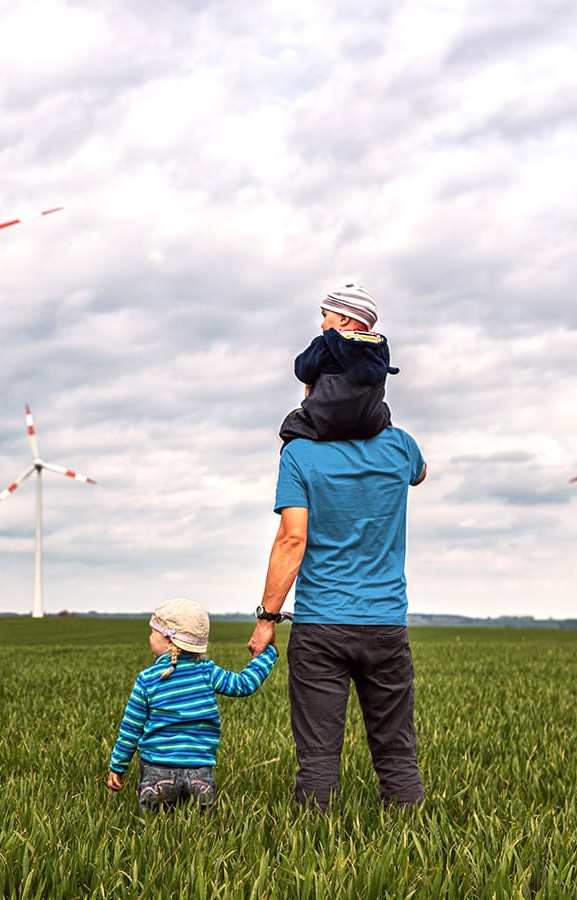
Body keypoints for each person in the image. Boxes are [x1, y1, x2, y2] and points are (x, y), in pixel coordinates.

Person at [249, 416, 428, 811]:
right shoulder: (401, 446)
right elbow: (421, 473)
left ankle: (313, 853)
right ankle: (415, 851)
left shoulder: (298, 453)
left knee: (317, 757)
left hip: (320, 626)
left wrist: (267, 619)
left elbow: (292, 538)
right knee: (397, 751)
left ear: (314, 391)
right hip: (385, 624)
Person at [108, 598, 278, 812]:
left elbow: (130, 730)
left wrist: (118, 766)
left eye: (153, 632)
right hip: (200, 773)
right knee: (202, 831)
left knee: (152, 832)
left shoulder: (147, 679)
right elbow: (243, 684)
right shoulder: (207, 671)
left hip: (157, 771)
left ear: (170, 641)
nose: (150, 637)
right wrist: (268, 655)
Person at [279, 283, 399, 446]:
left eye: (325, 315)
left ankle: (298, 463)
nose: (322, 324)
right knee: (383, 409)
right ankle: (386, 444)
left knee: (290, 426)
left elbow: (303, 371)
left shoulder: (326, 342)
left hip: (327, 422)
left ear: (343, 319)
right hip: (370, 425)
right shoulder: (380, 347)